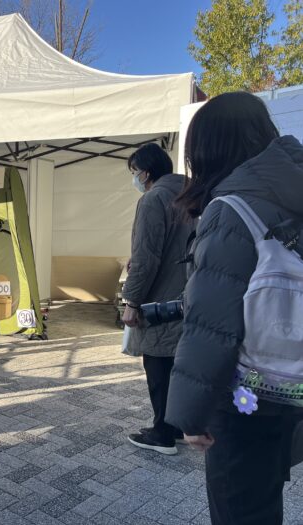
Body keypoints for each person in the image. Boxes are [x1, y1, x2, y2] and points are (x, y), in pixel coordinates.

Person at [166, 92, 303, 524]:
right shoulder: (291, 192)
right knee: (264, 496)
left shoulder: (232, 208)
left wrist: (189, 413)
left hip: (249, 393)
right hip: (294, 386)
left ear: (209, 149)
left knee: (240, 507)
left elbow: (212, 323)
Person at [122, 143, 193, 455]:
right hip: (188, 295)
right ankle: (176, 426)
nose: (135, 178)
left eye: (135, 172)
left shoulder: (153, 199)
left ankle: (162, 433)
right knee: (176, 364)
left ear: (146, 173)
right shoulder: (189, 194)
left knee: (157, 363)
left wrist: (131, 301)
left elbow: (146, 258)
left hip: (160, 301)